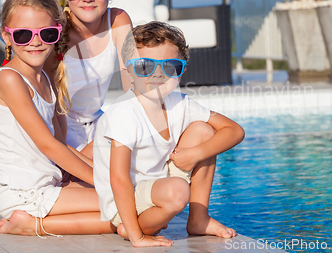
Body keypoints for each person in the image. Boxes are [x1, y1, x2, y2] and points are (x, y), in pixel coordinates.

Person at [93, 21, 245, 247]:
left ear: (181, 70)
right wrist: (137, 236)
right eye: (145, 66)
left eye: (170, 66)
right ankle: (134, 226)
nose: (158, 74)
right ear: (128, 69)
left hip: (160, 185)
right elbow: (119, 178)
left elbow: (234, 130)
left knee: (204, 131)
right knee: (177, 191)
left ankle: (198, 219)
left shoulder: (180, 103)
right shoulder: (124, 112)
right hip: (127, 200)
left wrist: (195, 153)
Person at [0, 0, 115, 236]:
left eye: (46, 33)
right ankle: (29, 225)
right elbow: (49, 146)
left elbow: (60, 144)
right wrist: (106, 182)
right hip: (22, 193)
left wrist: (103, 174)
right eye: (23, 34)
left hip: (47, 184)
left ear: (57, 34)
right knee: (123, 208)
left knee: (130, 202)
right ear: (7, 36)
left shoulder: (44, 77)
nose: (35, 42)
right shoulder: (10, 80)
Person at [45, 0, 133, 158]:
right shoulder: (55, 30)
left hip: (98, 126)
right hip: (60, 130)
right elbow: (51, 107)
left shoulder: (117, 20)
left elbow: (132, 82)